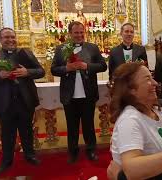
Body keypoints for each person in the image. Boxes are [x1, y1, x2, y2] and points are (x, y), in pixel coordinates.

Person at [0, 28, 45, 173]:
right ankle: (7, 160)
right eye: (6, 37)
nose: (11, 40)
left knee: (27, 131)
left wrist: (28, 72)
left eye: (13, 37)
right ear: (0, 40)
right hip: (4, 101)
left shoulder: (26, 53)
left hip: (25, 100)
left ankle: (30, 155)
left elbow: (41, 71)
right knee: (7, 133)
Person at [51, 21, 107, 163]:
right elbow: (53, 69)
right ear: (70, 33)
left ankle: (91, 150)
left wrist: (86, 66)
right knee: (72, 126)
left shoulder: (92, 48)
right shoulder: (60, 48)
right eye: (76, 32)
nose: (79, 35)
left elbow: (103, 66)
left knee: (89, 125)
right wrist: (67, 68)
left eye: (81, 32)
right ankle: (73, 152)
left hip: (88, 94)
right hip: (69, 95)